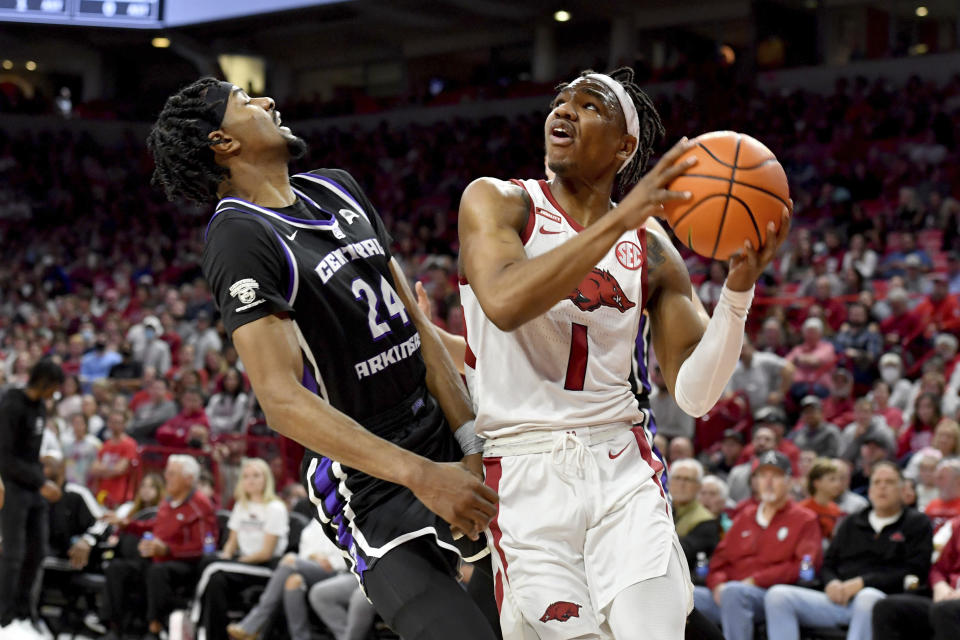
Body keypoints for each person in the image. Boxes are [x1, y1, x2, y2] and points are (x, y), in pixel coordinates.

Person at [148, 77, 498, 640]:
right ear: (222, 142)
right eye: (246, 100)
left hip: (438, 432)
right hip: (370, 474)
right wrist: (423, 476)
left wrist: (471, 445)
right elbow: (282, 403)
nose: (266, 101)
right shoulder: (240, 235)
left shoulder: (338, 189)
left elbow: (420, 333)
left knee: (524, 621)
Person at [457, 65, 790, 639]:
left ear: (625, 146)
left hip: (620, 465)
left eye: (589, 106)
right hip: (524, 472)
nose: (563, 111)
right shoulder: (499, 202)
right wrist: (621, 220)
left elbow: (695, 394)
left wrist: (738, 292)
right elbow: (507, 302)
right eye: (560, 101)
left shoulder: (652, 247)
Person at [763, 462, 933, 640]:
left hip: (883, 600)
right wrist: (831, 583)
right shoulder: (851, 522)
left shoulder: (916, 523)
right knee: (778, 596)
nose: (882, 487)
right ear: (869, 489)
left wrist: (862, 583)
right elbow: (828, 563)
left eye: (889, 482)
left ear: (902, 489)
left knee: (867, 597)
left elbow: (915, 570)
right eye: (877, 482)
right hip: (839, 598)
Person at [692, 451, 822, 640]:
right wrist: (718, 583)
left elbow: (803, 565)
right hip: (728, 593)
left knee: (734, 593)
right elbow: (720, 559)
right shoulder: (745, 515)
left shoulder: (805, 519)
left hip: (769, 596)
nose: (768, 482)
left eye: (775, 476)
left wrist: (756, 580)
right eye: (763, 476)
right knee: (683, 595)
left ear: (790, 482)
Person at [101, 455, 217, 640]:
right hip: (157, 560)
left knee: (157, 571)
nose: (166, 478)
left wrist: (168, 550)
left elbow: (204, 547)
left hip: (184, 566)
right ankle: (114, 628)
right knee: (117, 568)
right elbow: (156, 526)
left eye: (172, 474)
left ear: (188, 479)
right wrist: (127, 524)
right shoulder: (167, 501)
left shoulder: (201, 505)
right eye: (167, 473)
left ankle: (154, 629)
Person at [0, 359, 65, 629]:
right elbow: (5, 458)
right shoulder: (11, 405)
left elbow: (28, 453)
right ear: (44, 382)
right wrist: (40, 481)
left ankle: (24, 610)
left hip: (33, 486)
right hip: (14, 487)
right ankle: (3, 613)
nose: (56, 393)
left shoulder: (40, 407)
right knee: (13, 555)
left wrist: (43, 473)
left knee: (37, 551)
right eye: (55, 387)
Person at [195, 458, 289, 640]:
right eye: (246, 476)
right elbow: (231, 542)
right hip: (241, 563)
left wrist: (232, 562)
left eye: (256, 475)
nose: (250, 480)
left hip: (266, 566)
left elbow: (266, 552)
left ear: (266, 479)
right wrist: (226, 556)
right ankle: (215, 633)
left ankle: (195, 617)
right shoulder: (241, 506)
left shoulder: (275, 508)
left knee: (215, 570)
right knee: (215, 577)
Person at [227, 517, 344, 640]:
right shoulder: (321, 517)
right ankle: (300, 637)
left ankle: (256, 620)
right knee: (293, 581)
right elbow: (305, 543)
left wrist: (330, 561)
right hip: (310, 566)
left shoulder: (346, 516)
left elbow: (349, 552)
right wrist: (312, 556)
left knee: (290, 560)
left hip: (338, 571)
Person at [872, 513, 960, 640]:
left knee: (945, 611)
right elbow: (938, 568)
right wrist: (939, 585)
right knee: (887, 607)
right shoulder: (957, 526)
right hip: (946, 598)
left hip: (949, 607)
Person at [670, 459, 720, 576]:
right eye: (677, 478)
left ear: (699, 486)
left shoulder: (706, 521)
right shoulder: (664, 509)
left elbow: (680, 553)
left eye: (687, 480)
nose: (681, 484)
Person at [725, 335, 795, 413]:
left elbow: (788, 369)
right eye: (738, 349)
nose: (742, 352)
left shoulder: (764, 360)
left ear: (751, 346)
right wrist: (736, 401)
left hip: (770, 410)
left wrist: (780, 393)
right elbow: (728, 393)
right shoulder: (735, 369)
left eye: (743, 348)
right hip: (748, 414)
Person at [89, 409, 139, 507]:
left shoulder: (130, 444)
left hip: (119, 493)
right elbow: (94, 469)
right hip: (102, 491)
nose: (115, 425)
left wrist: (103, 470)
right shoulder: (106, 444)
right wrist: (111, 470)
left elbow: (120, 469)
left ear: (124, 424)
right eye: (112, 422)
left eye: (118, 422)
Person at [308, 572, 378, 640]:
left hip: (381, 578)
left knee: (360, 597)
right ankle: (345, 637)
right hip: (356, 575)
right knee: (319, 593)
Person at [785, 318, 837, 402]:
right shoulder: (798, 349)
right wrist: (805, 359)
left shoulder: (827, 347)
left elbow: (815, 361)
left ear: (820, 334)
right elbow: (786, 364)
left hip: (820, 387)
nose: (810, 335)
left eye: (813, 332)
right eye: (808, 332)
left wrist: (798, 359)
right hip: (798, 386)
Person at [798, 457, 845, 542]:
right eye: (832, 479)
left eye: (838, 479)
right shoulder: (801, 509)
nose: (838, 484)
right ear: (817, 483)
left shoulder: (836, 511)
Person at [840, 397, 895, 462]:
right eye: (859, 412)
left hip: (879, 464)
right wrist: (856, 439)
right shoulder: (849, 430)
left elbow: (892, 451)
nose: (862, 416)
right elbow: (843, 457)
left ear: (872, 414)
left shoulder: (882, 430)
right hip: (855, 466)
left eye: (866, 412)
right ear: (854, 414)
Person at [926, 459, 960, 533]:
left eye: (941, 478)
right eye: (936, 478)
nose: (936, 482)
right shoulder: (932, 505)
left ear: (958, 480)